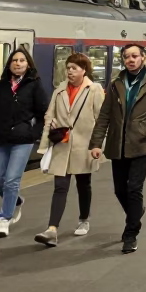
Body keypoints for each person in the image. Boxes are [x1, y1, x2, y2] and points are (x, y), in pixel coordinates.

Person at [89, 43, 146, 254]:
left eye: (135, 56)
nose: (131, 60)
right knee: (120, 190)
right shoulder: (116, 83)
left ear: (143, 58)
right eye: (127, 57)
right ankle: (136, 213)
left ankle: (131, 233)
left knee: (134, 188)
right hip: (118, 145)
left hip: (141, 145)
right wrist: (96, 143)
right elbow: (105, 116)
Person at [34, 53, 105, 247]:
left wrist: (98, 145)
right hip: (62, 145)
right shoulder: (60, 90)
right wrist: (49, 129)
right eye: (68, 68)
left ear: (84, 70)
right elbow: (49, 115)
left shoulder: (95, 89)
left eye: (74, 68)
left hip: (85, 146)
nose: (70, 71)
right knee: (60, 187)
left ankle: (84, 219)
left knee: (83, 184)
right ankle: (52, 229)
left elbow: (102, 118)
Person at [0, 47, 48, 238]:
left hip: (22, 140)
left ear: (28, 64)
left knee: (11, 180)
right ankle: (16, 201)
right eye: (14, 60)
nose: (18, 64)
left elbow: (43, 113)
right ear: (9, 64)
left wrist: (32, 133)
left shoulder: (34, 85)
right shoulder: (1, 86)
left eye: (22, 60)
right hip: (1, 139)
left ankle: (4, 218)